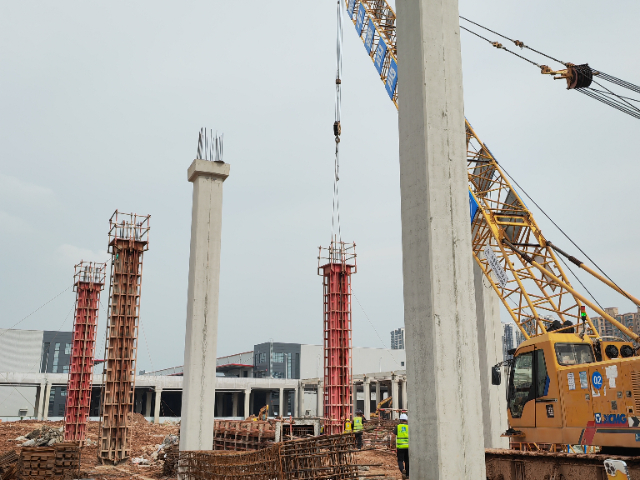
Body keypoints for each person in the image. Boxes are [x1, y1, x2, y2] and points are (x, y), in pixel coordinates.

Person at [395, 413, 409, 479]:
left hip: (400, 447)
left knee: (400, 460)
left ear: (400, 420)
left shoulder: (398, 427)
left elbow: (393, 436)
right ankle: (407, 474)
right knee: (407, 460)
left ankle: (402, 470)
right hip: (408, 447)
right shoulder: (409, 427)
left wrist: (391, 444)